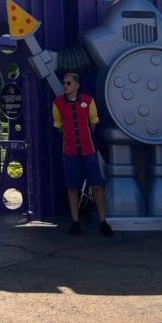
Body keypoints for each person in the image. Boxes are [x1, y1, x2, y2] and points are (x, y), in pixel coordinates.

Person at [53, 72, 114, 237]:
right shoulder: (58, 104)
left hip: (88, 150)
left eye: (68, 83)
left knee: (97, 185)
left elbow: (94, 123)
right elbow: (59, 126)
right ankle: (75, 221)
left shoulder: (88, 101)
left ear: (77, 85)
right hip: (70, 151)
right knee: (72, 187)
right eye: (64, 83)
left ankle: (103, 221)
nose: (65, 86)